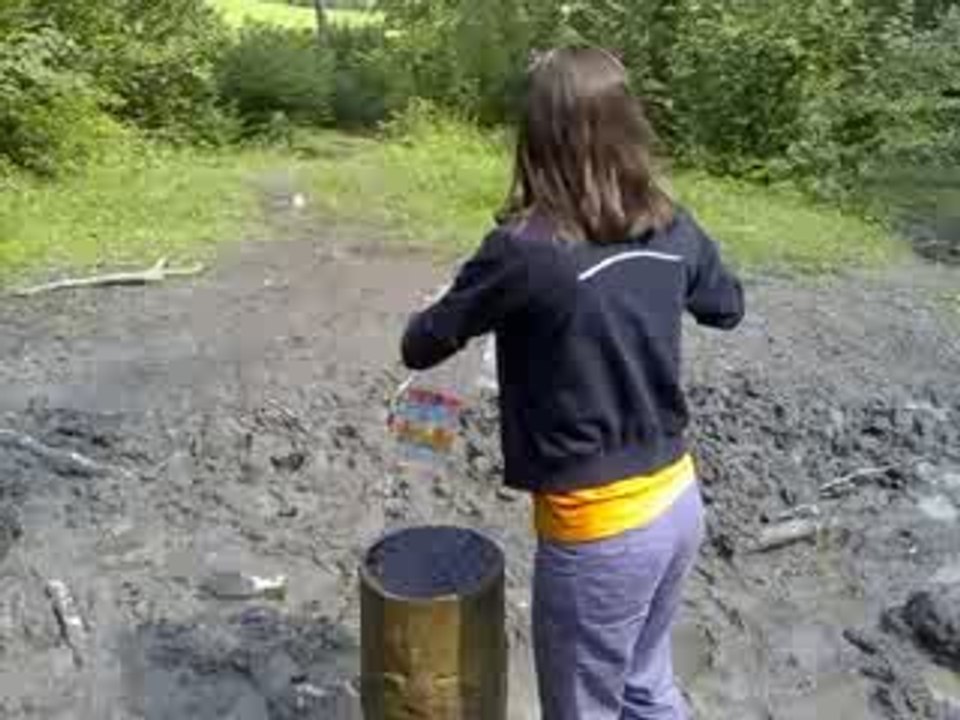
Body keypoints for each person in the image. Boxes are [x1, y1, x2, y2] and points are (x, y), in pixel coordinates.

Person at [400, 47, 744, 720]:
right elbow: (727, 308)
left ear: (536, 135)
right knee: (646, 685)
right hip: (678, 503)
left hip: (601, 533)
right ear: (626, 124)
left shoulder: (522, 249)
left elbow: (420, 345)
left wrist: (453, 299)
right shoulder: (671, 224)